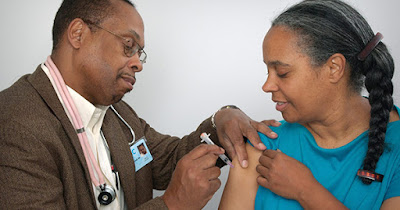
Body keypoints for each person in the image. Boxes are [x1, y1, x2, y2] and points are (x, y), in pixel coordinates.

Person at [0, 0, 280, 209]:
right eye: (128, 45)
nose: (137, 63)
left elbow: (170, 159)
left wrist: (222, 120)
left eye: (139, 53)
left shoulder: (116, 114)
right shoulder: (15, 123)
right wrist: (171, 205)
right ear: (78, 34)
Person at [219, 0, 400, 209]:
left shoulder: (395, 143)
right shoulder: (261, 145)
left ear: (334, 68)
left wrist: (306, 191)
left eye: (282, 72)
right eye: (267, 71)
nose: (266, 86)